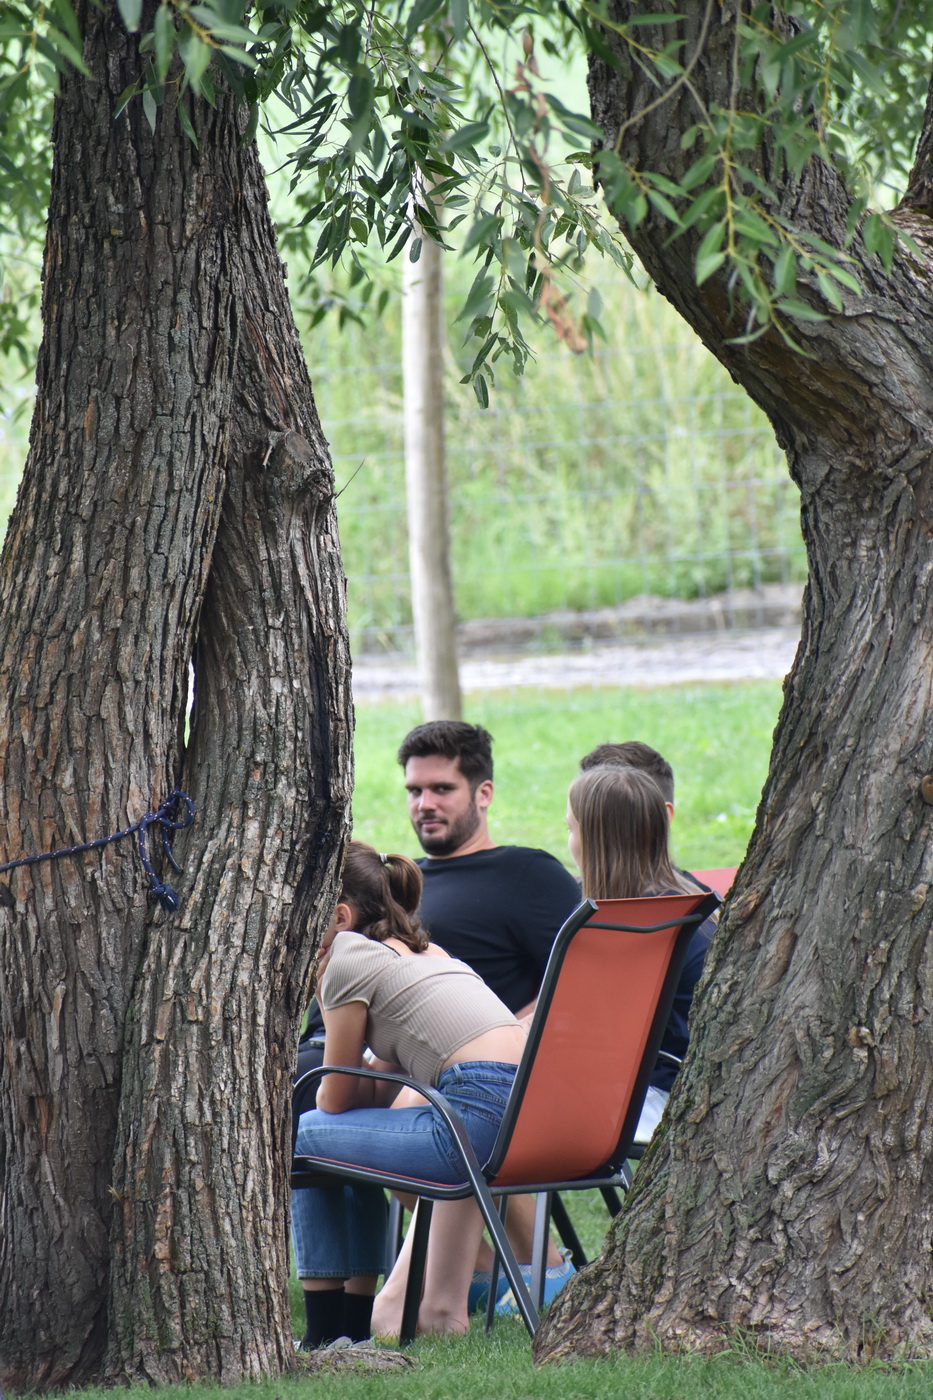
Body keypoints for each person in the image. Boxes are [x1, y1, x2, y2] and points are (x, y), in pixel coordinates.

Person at [291, 841, 528, 1346]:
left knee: (306, 1133)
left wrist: (323, 995)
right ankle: (352, 1324)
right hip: (527, 1116)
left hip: (474, 1117)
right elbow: (378, 1088)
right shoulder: (426, 954)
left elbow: (334, 1098)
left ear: (340, 916)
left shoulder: (348, 955)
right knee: (337, 1140)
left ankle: (327, 1331)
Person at [565, 762, 720, 1137]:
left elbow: (578, 1039)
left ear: (595, 841)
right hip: (700, 1086)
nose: (568, 841)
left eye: (570, 828)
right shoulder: (687, 902)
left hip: (658, 1097)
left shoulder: (625, 925)